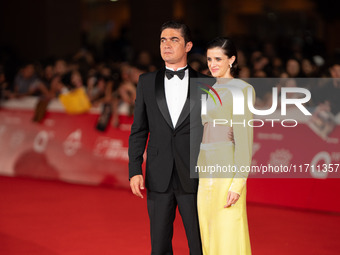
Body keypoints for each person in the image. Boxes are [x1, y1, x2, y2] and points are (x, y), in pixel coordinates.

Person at [128, 20, 206, 255]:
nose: (167, 45)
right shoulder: (146, 82)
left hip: (196, 176)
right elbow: (139, 129)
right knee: (159, 245)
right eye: (163, 40)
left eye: (174, 40)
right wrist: (134, 169)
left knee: (199, 244)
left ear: (188, 45)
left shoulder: (208, 84)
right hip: (158, 175)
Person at [197, 37, 254, 255]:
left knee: (229, 231)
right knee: (208, 230)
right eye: (210, 59)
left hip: (227, 168)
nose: (212, 64)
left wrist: (238, 183)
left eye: (218, 59)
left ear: (231, 60)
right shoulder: (210, 89)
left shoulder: (242, 89)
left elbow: (244, 139)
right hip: (206, 168)